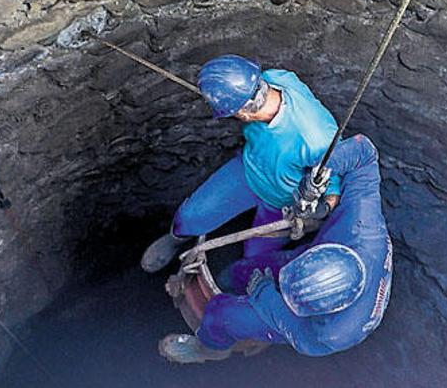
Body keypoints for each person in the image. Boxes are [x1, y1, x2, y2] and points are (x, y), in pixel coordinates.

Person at [158, 134, 392, 362]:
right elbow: (364, 153)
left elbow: (298, 333)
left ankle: (210, 349)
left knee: (220, 314)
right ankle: (237, 285)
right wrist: (319, 175)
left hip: (300, 321)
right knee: (242, 271)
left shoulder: (334, 331)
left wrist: (264, 293)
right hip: (319, 250)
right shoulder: (361, 224)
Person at [141, 54, 343, 272]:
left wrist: (323, 208)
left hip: (282, 203)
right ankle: (175, 239)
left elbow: (334, 180)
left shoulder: (316, 139)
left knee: (255, 259)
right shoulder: (275, 78)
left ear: (243, 114)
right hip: (248, 172)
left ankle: (247, 280)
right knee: (190, 217)